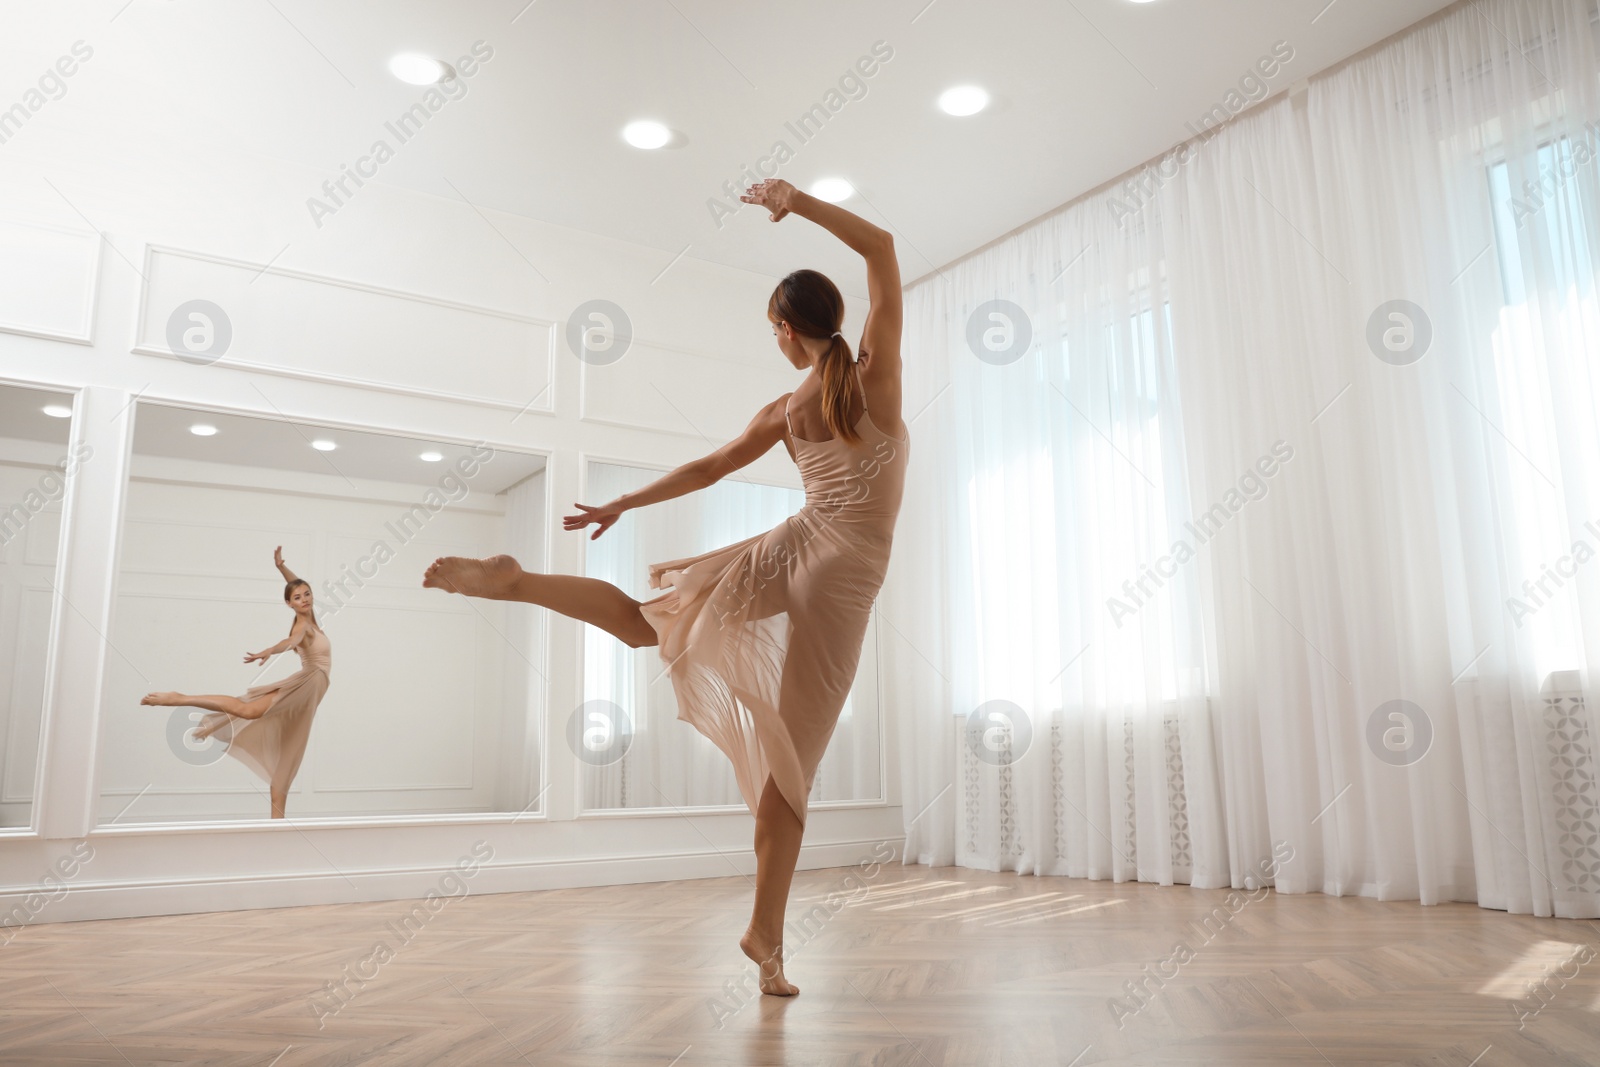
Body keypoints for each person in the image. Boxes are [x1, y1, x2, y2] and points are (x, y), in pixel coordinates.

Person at [422, 177, 907, 995]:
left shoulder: (787, 408)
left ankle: (520, 584)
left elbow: (711, 468)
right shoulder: (876, 376)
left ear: (787, 334)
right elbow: (883, 251)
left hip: (792, 547)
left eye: (775, 331)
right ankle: (765, 933)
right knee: (790, 763)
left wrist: (624, 502)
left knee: (655, 621)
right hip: (843, 570)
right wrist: (802, 204)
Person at [142, 546, 331, 820]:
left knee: (288, 762)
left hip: (310, 697)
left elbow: (296, 587)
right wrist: (271, 650)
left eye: (307, 594)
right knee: (250, 711)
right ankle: (180, 698)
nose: (304, 599)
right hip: (305, 686)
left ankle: (275, 829)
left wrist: (282, 569)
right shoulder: (302, 626)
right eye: (297, 597)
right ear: (289, 604)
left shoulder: (312, 617)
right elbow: (291, 641)